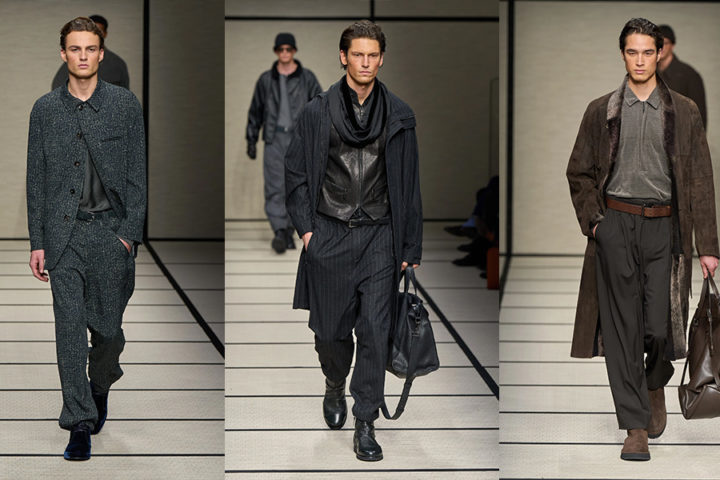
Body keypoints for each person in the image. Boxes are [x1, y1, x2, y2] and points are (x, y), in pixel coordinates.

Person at [567, 18, 718, 462]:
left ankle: (654, 383)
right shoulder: (601, 110)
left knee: (657, 327)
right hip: (616, 224)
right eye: (632, 52)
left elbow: (700, 179)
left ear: (660, 53)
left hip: (665, 228)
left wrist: (708, 245)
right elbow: (579, 172)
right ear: (623, 55)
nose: (639, 60)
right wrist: (598, 225)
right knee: (622, 331)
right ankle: (635, 427)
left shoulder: (684, 111)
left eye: (647, 52)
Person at [285, 20, 422, 461]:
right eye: (357, 54)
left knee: (376, 331)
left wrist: (410, 246)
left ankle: (366, 420)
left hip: (381, 236)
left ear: (382, 59)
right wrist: (307, 231)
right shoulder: (316, 112)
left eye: (372, 55)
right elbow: (295, 173)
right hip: (329, 232)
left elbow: (409, 183)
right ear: (343, 57)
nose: (365, 62)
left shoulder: (400, 114)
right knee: (330, 332)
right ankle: (333, 381)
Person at [27, 17, 146, 461]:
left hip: (111, 233)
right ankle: (78, 421)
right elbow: (35, 179)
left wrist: (128, 235)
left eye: (90, 48)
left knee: (109, 334)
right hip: (64, 235)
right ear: (63, 54)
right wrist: (38, 241)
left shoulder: (124, 105)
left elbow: (137, 174)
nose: (82, 55)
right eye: (74, 48)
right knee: (69, 332)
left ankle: (99, 386)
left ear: (101, 52)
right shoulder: (45, 110)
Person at [246, 33, 322, 253]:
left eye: (289, 49)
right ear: (276, 52)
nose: (285, 53)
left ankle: (290, 228)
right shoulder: (266, 80)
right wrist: (251, 139)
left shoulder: (307, 78)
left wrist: (320, 139)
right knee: (275, 185)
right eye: (281, 49)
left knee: (298, 184)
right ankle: (280, 230)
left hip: (300, 138)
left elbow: (320, 109)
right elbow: (256, 110)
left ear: (294, 51)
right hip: (274, 138)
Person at [51, 14, 130, 91]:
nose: (83, 57)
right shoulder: (74, 61)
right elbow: (57, 87)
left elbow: (125, 92)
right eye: (90, 30)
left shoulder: (117, 63)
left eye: (99, 31)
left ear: (105, 33)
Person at [657, 24, 707, 128]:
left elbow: (699, 115)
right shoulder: (648, 74)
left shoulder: (689, 75)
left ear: (672, 45)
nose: (661, 47)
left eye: (665, 43)